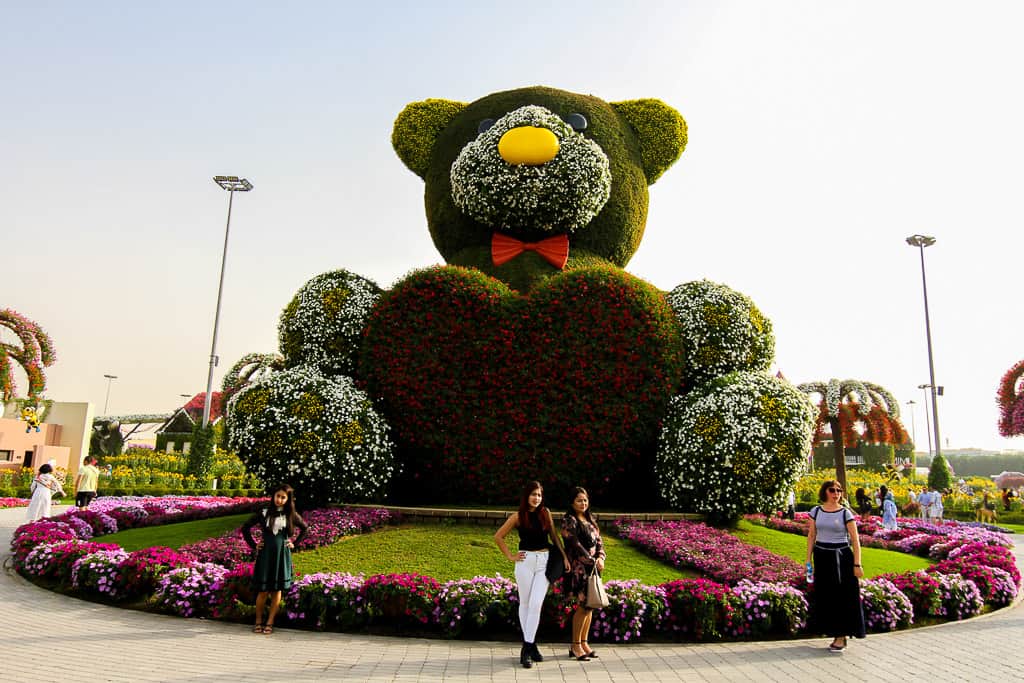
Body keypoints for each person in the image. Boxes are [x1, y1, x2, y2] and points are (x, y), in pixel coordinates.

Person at [494, 480, 568, 669]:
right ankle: (531, 645)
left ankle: (526, 648)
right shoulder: (517, 516)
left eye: (540, 495)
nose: (537, 498)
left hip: (544, 561)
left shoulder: (545, 513)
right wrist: (510, 556)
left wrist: (564, 557)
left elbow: (554, 536)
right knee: (526, 603)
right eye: (533, 494)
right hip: (525, 562)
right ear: (526, 496)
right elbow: (498, 536)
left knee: (536, 603)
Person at [806, 480, 866, 652]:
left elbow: (855, 540)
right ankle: (832, 632)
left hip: (841, 557)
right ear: (825, 492)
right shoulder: (816, 511)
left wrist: (857, 564)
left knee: (842, 596)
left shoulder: (845, 513)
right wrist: (808, 560)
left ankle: (841, 636)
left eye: (839, 490)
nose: (836, 493)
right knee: (826, 595)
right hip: (821, 555)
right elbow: (811, 536)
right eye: (832, 490)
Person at [241, 484, 308, 635]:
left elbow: (305, 528)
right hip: (265, 555)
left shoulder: (291, 514)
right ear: (273, 496)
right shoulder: (263, 512)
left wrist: (294, 544)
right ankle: (258, 621)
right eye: (277, 496)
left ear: (288, 499)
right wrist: (254, 545)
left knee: (277, 589)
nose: (279, 500)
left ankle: (270, 622)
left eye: (283, 497)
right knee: (263, 590)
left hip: (282, 555)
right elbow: (245, 528)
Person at [561, 486, 606, 662]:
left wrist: (601, 557)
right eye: (579, 500)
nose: (583, 503)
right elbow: (574, 544)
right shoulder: (568, 520)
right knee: (583, 606)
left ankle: (584, 642)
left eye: (585, 500)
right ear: (572, 502)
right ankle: (575, 645)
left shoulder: (590, 519)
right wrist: (591, 560)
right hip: (579, 569)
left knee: (591, 605)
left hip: (593, 568)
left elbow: (600, 542)